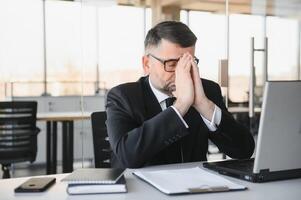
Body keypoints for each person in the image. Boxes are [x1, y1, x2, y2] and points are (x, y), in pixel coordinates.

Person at [106, 21, 255, 168]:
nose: (181, 73)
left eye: (188, 63)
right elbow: (127, 156)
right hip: (142, 189)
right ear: (146, 64)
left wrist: (204, 105)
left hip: (197, 187)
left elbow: (244, 150)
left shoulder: (207, 91)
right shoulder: (122, 97)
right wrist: (181, 104)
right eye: (172, 64)